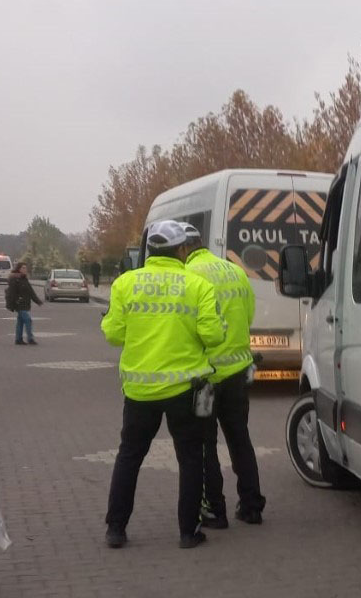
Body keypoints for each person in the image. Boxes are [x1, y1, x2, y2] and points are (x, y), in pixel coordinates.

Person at [100, 220, 226, 550]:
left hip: (139, 390)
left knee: (129, 456)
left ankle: (115, 528)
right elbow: (213, 336)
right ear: (182, 249)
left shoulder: (125, 283)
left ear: (151, 250)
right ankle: (188, 532)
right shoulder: (198, 285)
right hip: (185, 389)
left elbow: (113, 334)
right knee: (190, 458)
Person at [180, 223, 266, 527]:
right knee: (240, 438)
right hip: (237, 373)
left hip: (205, 378)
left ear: (183, 248)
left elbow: (185, 326)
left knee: (205, 445)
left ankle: (215, 510)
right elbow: (248, 314)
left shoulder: (188, 276)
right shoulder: (235, 271)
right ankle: (252, 506)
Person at [6, 262, 42, 345]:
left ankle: (18, 339)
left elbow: (31, 292)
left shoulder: (24, 279)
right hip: (19, 304)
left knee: (20, 322)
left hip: (26, 304)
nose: (25, 269)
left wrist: (37, 301)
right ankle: (30, 338)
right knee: (28, 320)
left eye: (25, 268)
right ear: (19, 269)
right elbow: (11, 293)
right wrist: (13, 303)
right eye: (23, 268)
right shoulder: (15, 279)